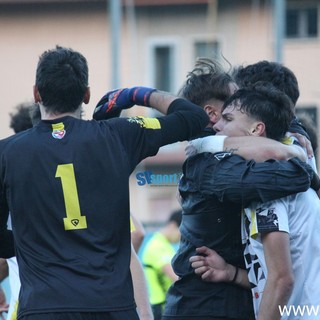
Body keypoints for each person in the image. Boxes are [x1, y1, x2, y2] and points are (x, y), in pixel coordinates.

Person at [0, 45, 209, 320]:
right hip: (111, 307)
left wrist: (37, 239)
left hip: (44, 308)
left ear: (36, 93)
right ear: (86, 95)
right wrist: (136, 94)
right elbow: (193, 117)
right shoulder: (118, 134)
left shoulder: (6, 153)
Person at [163, 80, 320, 319]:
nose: (217, 125)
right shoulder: (275, 181)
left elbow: (282, 280)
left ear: (256, 130)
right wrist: (230, 272)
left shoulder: (270, 192)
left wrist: (204, 144)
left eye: (228, 119)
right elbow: (277, 273)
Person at [140, 210, 182, 320]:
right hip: (159, 307)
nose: (181, 238)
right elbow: (176, 277)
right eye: (181, 232)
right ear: (173, 225)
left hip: (165, 305)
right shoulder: (157, 246)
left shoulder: (165, 244)